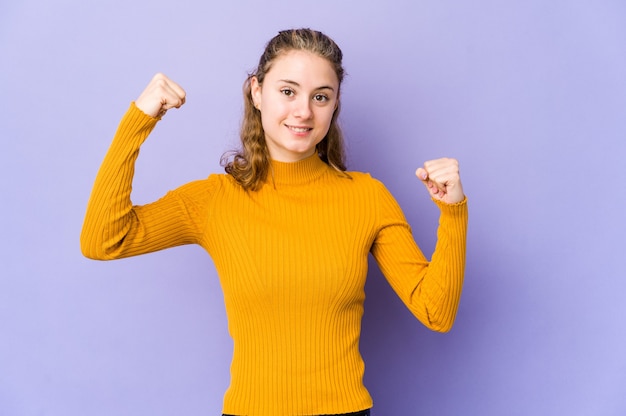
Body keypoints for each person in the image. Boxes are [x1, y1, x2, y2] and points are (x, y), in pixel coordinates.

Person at [81, 28, 468, 416]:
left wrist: (453, 210)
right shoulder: (215, 199)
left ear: (334, 106)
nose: (304, 111)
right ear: (256, 92)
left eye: (321, 97)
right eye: (288, 91)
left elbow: (436, 311)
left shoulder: (367, 197)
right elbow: (103, 240)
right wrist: (139, 120)